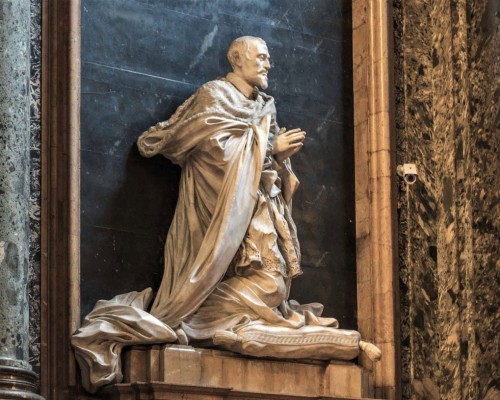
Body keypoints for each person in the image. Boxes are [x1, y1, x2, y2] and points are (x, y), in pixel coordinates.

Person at [72, 36, 380, 394]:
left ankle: (218, 321)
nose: (268, 65)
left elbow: (262, 161)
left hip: (257, 205)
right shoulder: (214, 96)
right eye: (261, 58)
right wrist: (267, 145)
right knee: (268, 284)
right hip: (218, 209)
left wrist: (275, 156)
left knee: (274, 284)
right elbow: (210, 148)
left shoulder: (264, 106)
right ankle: (192, 316)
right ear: (237, 60)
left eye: (269, 59)